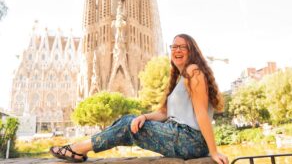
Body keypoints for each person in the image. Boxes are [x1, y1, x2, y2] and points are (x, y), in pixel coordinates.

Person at [50, 33, 229, 164]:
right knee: (132, 121)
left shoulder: (193, 71)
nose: (177, 50)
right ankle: (79, 148)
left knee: (128, 123)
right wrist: (144, 116)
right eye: (174, 47)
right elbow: (163, 113)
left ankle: (77, 149)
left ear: (192, 51)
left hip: (190, 140)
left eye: (183, 46)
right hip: (179, 136)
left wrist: (213, 151)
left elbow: (201, 113)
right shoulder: (180, 79)